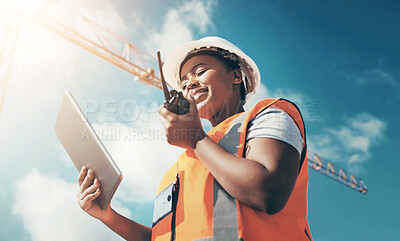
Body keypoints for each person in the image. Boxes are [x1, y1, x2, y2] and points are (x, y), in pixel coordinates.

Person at [77, 37, 313, 241]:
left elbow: (266, 192)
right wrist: (108, 216)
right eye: (183, 83)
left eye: (200, 71)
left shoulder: (269, 114)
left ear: (235, 76)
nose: (189, 83)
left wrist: (196, 139)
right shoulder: (180, 168)